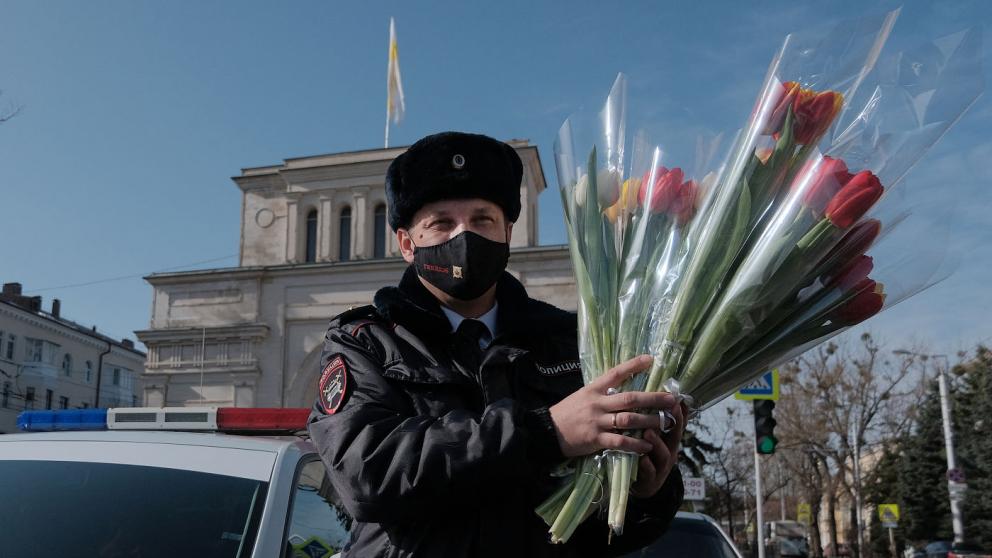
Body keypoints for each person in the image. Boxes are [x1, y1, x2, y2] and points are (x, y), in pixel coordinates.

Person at [308, 131, 685, 557]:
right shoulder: (366, 342)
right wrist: (545, 433)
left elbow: (601, 530)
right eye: (441, 223)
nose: (464, 235)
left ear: (507, 231)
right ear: (407, 244)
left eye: (483, 219)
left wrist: (646, 494)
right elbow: (367, 473)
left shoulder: (573, 341)